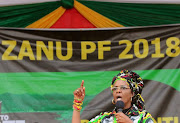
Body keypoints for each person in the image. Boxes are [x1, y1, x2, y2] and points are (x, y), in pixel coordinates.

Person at [72, 69, 154, 123]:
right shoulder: (104, 119)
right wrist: (77, 102)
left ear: (132, 93)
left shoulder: (144, 118)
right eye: (115, 88)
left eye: (123, 88)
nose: (118, 91)